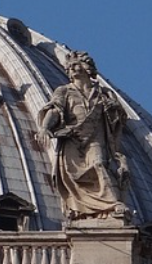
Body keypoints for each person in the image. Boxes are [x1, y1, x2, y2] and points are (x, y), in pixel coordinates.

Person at [39, 51, 129, 222]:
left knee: (99, 163)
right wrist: (45, 127)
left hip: (96, 137)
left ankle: (111, 203)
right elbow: (55, 110)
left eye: (75, 65)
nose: (71, 69)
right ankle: (81, 207)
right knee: (73, 173)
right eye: (69, 67)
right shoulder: (64, 91)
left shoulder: (104, 93)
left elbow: (119, 118)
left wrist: (113, 109)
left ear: (87, 68)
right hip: (73, 137)